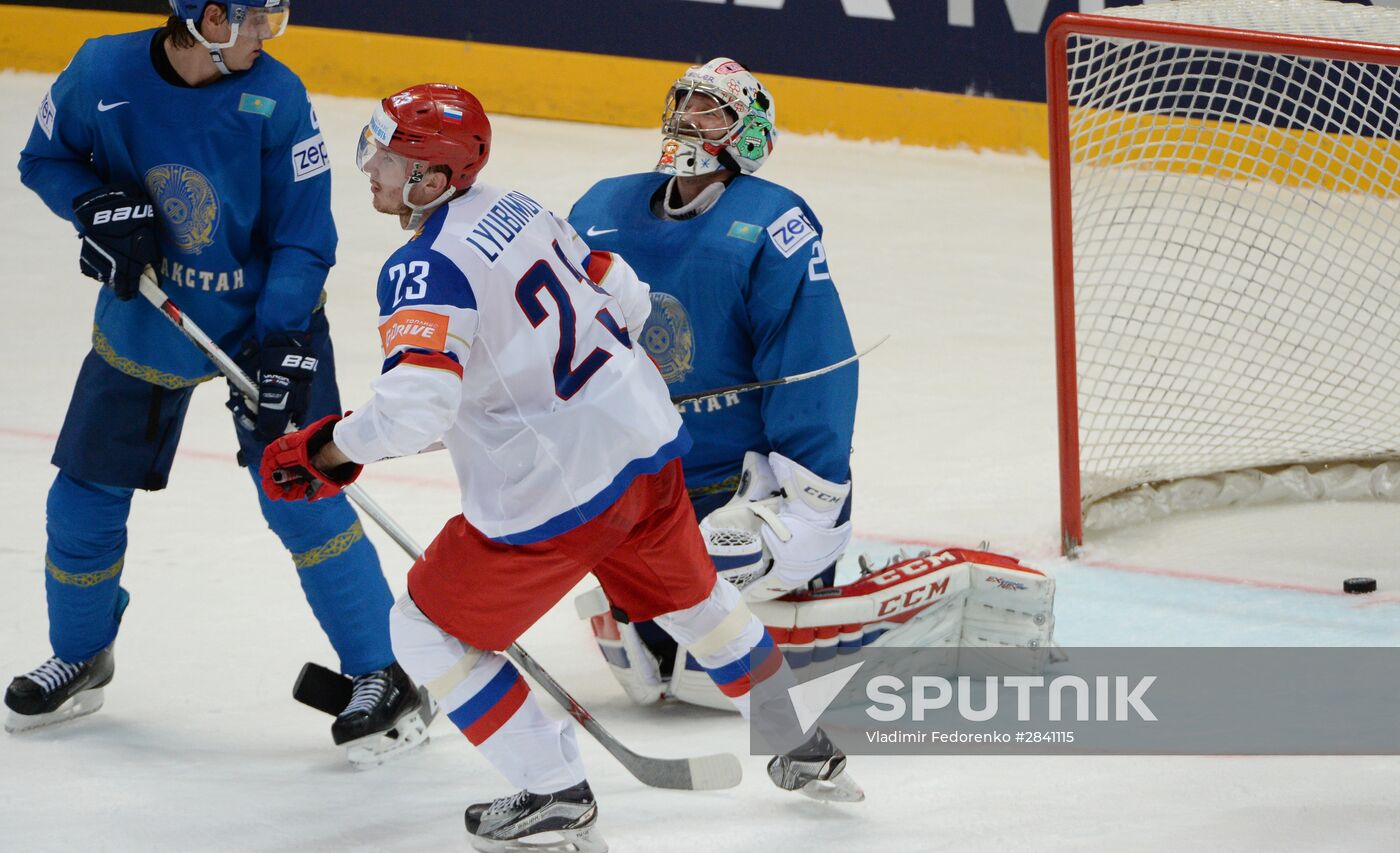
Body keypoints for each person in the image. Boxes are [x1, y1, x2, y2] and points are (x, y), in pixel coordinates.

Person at [260, 82, 862, 851]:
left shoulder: (423, 268)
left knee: (424, 631)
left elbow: (414, 409)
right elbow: (625, 294)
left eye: (389, 155)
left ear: (433, 178)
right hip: (647, 449)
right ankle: (798, 740)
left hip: (557, 497)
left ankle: (552, 790)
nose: (370, 166)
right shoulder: (519, 208)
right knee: (696, 599)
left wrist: (324, 452)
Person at [6, 0, 427, 764]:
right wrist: (92, 206)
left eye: (272, 19)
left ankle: (382, 673)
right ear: (202, 17)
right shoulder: (101, 69)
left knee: (303, 499)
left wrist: (284, 341)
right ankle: (81, 652)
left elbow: (303, 234)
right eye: (253, 20)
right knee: (82, 495)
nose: (266, 37)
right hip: (149, 318)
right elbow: (45, 159)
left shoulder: (278, 96)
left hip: (267, 324)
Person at [568, 58, 861, 704]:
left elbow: (815, 367)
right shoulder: (599, 211)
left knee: (708, 662)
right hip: (647, 475)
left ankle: (798, 576)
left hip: (740, 486)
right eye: (685, 103)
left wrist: (812, 500)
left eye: (713, 110)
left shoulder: (772, 228)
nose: (689, 119)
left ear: (748, 136)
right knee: (647, 671)